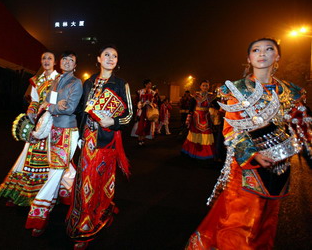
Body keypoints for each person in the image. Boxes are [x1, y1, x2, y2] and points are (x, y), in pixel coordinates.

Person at [185, 38, 312, 249]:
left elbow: (302, 127)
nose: (262, 53)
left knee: (266, 225)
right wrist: (252, 154)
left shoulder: (291, 92)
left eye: (269, 49)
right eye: (256, 50)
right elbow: (231, 128)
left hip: (280, 167)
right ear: (249, 57)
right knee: (238, 225)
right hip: (247, 167)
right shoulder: (237, 89)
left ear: (277, 56)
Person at [66, 45, 133, 249]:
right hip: (87, 139)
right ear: (99, 58)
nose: (110, 58)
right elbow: (81, 111)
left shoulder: (121, 84)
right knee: (85, 180)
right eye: (106, 55)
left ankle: (98, 215)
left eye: (114, 55)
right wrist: (79, 134)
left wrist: (113, 122)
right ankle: (84, 220)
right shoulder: (89, 82)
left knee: (102, 179)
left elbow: (129, 115)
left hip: (107, 140)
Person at [25, 51, 83, 237]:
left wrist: (52, 107)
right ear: (60, 62)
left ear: (75, 65)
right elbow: (47, 104)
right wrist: (55, 106)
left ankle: (38, 214)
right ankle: (81, 199)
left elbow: (70, 108)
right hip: (53, 130)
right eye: (64, 59)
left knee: (55, 172)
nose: (67, 62)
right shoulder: (56, 82)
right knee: (64, 169)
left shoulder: (76, 82)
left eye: (71, 60)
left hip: (67, 131)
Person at [0, 52, 59, 206]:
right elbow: (35, 100)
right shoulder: (37, 80)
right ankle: (24, 194)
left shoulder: (59, 79)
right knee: (29, 155)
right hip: (39, 122)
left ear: (55, 62)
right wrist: (31, 111)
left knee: (52, 159)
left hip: (54, 123)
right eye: (43, 58)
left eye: (50, 58)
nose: (46, 61)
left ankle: (48, 196)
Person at [181, 80, 216, 160]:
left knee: (207, 134)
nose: (205, 87)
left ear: (209, 87)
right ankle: (193, 151)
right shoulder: (195, 96)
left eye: (206, 85)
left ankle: (205, 153)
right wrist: (189, 117)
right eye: (203, 85)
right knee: (194, 134)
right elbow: (191, 107)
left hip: (206, 118)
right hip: (196, 118)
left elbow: (216, 106)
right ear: (200, 86)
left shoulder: (211, 97)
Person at [131, 79, 156, 145]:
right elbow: (135, 101)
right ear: (145, 84)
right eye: (149, 84)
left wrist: (152, 104)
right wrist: (140, 104)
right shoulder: (140, 92)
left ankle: (143, 139)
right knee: (141, 125)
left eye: (150, 84)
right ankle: (139, 139)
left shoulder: (153, 92)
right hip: (142, 111)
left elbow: (155, 102)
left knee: (147, 125)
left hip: (149, 111)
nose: (150, 85)